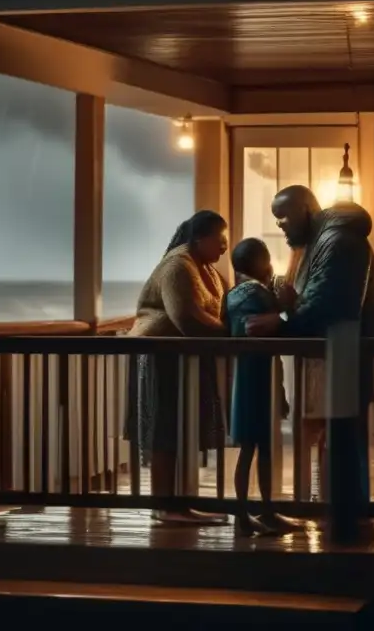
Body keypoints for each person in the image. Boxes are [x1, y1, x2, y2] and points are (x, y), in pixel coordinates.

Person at [246, 185, 374, 529]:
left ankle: (349, 517)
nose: (281, 225)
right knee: (343, 434)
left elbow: (332, 304)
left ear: (306, 210)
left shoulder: (339, 241)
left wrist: (281, 320)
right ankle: (342, 513)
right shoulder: (326, 241)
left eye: (284, 216)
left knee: (346, 434)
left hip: (351, 353)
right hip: (345, 354)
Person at [125, 210, 230, 525]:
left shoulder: (203, 267)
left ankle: (179, 503)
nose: (225, 247)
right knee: (164, 428)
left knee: (179, 428)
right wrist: (230, 334)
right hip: (160, 356)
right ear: (201, 238)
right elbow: (186, 316)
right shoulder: (178, 265)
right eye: (221, 240)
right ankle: (165, 506)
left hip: (181, 357)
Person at [224, 238, 296, 536]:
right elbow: (279, 318)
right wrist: (287, 303)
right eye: (267, 261)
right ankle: (262, 511)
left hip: (244, 375)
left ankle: (245, 513)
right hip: (261, 375)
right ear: (259, 263)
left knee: (248, 448)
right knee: (262, 447)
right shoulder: (257, 293)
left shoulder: (232, 295)